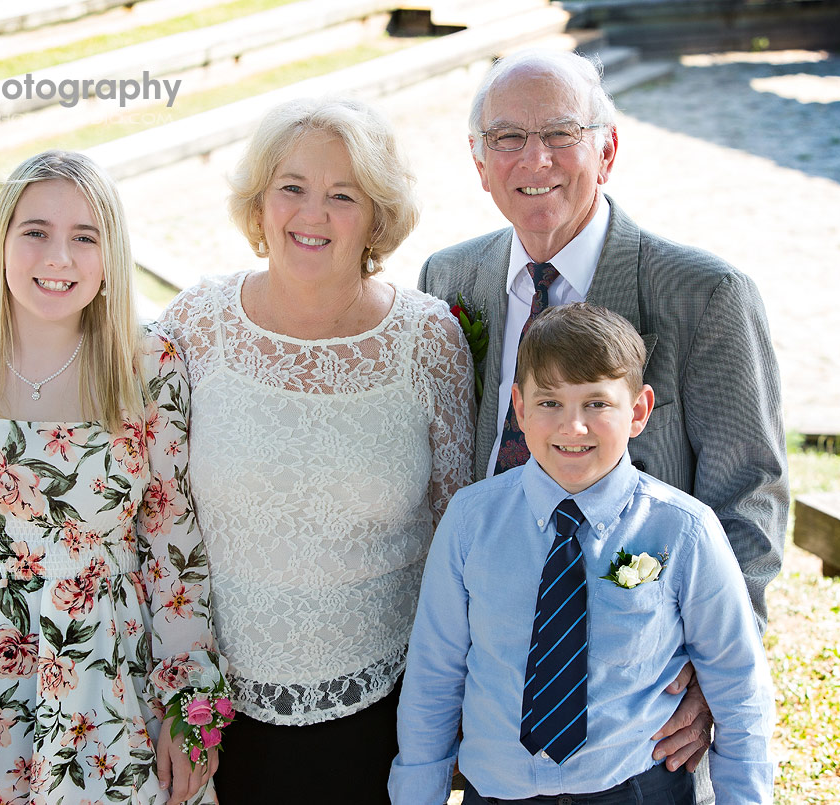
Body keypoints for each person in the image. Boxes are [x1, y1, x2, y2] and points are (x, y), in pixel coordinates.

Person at [418, 48, 788, 792]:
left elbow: (750, 491)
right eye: (507, 138)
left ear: (608, 149)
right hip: (487, 669)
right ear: (478, 160)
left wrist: (711, 672)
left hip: (633, 690)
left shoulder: (703, 294)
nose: (536, 159)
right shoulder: (448, 280)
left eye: (560, 133)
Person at [0, 150, 227, 805]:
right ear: (0, 239)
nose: (58, 256)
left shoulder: (149, 366)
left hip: (106, 681)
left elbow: (174, 552)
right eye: (35, 231)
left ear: (110, 252)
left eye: (84, 236)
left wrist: (189, 708)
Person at [156, 96, 473, 804]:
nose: (312, 213)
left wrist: (449, 713)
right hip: (211, 708)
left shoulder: (430, 341)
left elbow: (457, 535)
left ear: (376, 216)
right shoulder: (196, 322)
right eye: (292, 187)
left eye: (342, 195)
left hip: (382, 712)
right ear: (260, 203)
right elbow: (116, 460)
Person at [391, 302, 775, 804]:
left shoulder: (683, 531)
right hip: (499, 789)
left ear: (638, 411)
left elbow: (739, 683)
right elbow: (434, 674)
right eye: (550, 403)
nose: (573, 427)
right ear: (519, 409)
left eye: (597, 403)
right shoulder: (471, 521)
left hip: (636, 786)